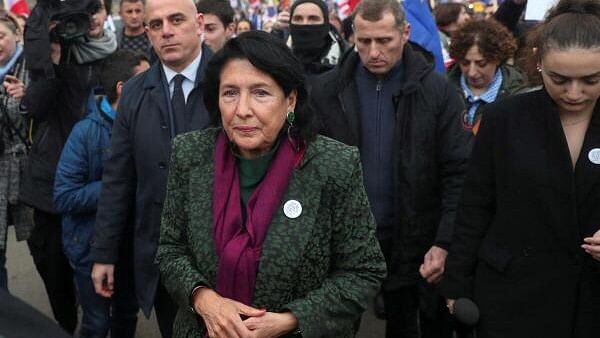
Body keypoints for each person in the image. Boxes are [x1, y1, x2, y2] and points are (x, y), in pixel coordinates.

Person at [156, 30, 387, 338]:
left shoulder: (334, 165)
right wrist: (204, 299)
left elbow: (363, 271)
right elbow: (171, 250)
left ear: (289, 100)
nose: (243, 110)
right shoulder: (190, 154)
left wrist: (290, 320)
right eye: (230, 93)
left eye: (261, 93)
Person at [310, 0, 470, 337]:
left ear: (405, 33)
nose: (374, 51)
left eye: (384, 41)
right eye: (365, 41)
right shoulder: (327, 90)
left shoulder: (438, 93)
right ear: (352, 36)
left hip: (416, 244)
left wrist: (444, 242)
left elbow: (458, 173)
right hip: (343, 244)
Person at [441, 0, 600, 337]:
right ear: (539, 61)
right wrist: (457, 284)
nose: (574, 93)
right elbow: (475, 204)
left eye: (590, 79)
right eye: (560, 79)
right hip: (513, 296)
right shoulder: (504, 118)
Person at [89, 0, 213, 337]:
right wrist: (104, 254)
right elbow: (118, 177)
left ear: (199, 23)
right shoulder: (132, 92)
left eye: (176, 20)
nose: (167, 31)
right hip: (162, 261)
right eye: (156, 25)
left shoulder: (230, 77)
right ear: (147, 33)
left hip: (226, 256)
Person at [20, 0, 117, 333]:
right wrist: (51, 64)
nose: (87, 20)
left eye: (94, 11)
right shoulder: (49, 57)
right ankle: (66, 323)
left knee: (102, 283)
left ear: (106, 15)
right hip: (50, 185)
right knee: (55, 271)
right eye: (81, 13)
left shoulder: (119, 58)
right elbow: (32, 108)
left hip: (101, 184)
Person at [53, 50, 149, 338]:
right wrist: (118, 185)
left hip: (133, 248)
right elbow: (64, 195)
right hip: (90, 247)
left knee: (126, 316)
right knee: (96, 323)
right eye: (145, 82)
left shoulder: (149, 127)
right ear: (124, 88)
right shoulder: (85, 132)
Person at [446, 18, 525, 135]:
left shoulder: (520, 93)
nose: (472, 72)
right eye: (465, 63)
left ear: (498, 59)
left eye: (481, 64)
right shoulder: (442, 88)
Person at [0, 10, 32, 293]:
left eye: (0, 36)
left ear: (15, 35)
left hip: (28, 171)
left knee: (46, 251)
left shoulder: (32, 67)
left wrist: (27, 99)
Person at [272, 0, 347, 76]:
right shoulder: (277, 57)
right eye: (298, 19)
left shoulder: (347, 59)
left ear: (325, 23)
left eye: (313, 19)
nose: (305, 24)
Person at [433, 2, 470, 69]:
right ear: (451, 16)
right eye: (463, 13)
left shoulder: (464, 36)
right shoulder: (438, 39)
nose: (468, 17)